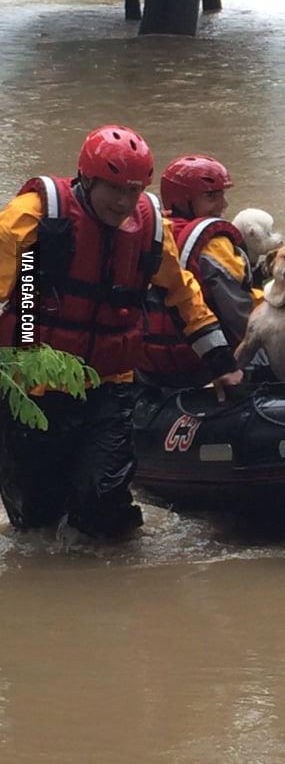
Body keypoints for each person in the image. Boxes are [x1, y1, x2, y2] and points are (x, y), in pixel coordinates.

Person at [0, 126, 243, 540]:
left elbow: (183, 294)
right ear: (87, 179)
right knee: (36, 519)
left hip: (108, 383)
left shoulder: (148, 229)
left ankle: (116, 563)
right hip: (33, 384)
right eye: (113, 188)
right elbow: (15, 295)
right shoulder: (32, 217)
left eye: (133, 191)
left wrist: (221, 363)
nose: (123, 202)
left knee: (103, 498)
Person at [136, 154, 263, 385]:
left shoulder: (150, 230)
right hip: (205, 363)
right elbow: (242, 314)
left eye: (222, 195)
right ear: (183, 200)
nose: (224, 204)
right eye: (212, 196)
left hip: (149, 365)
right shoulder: (215, 245)